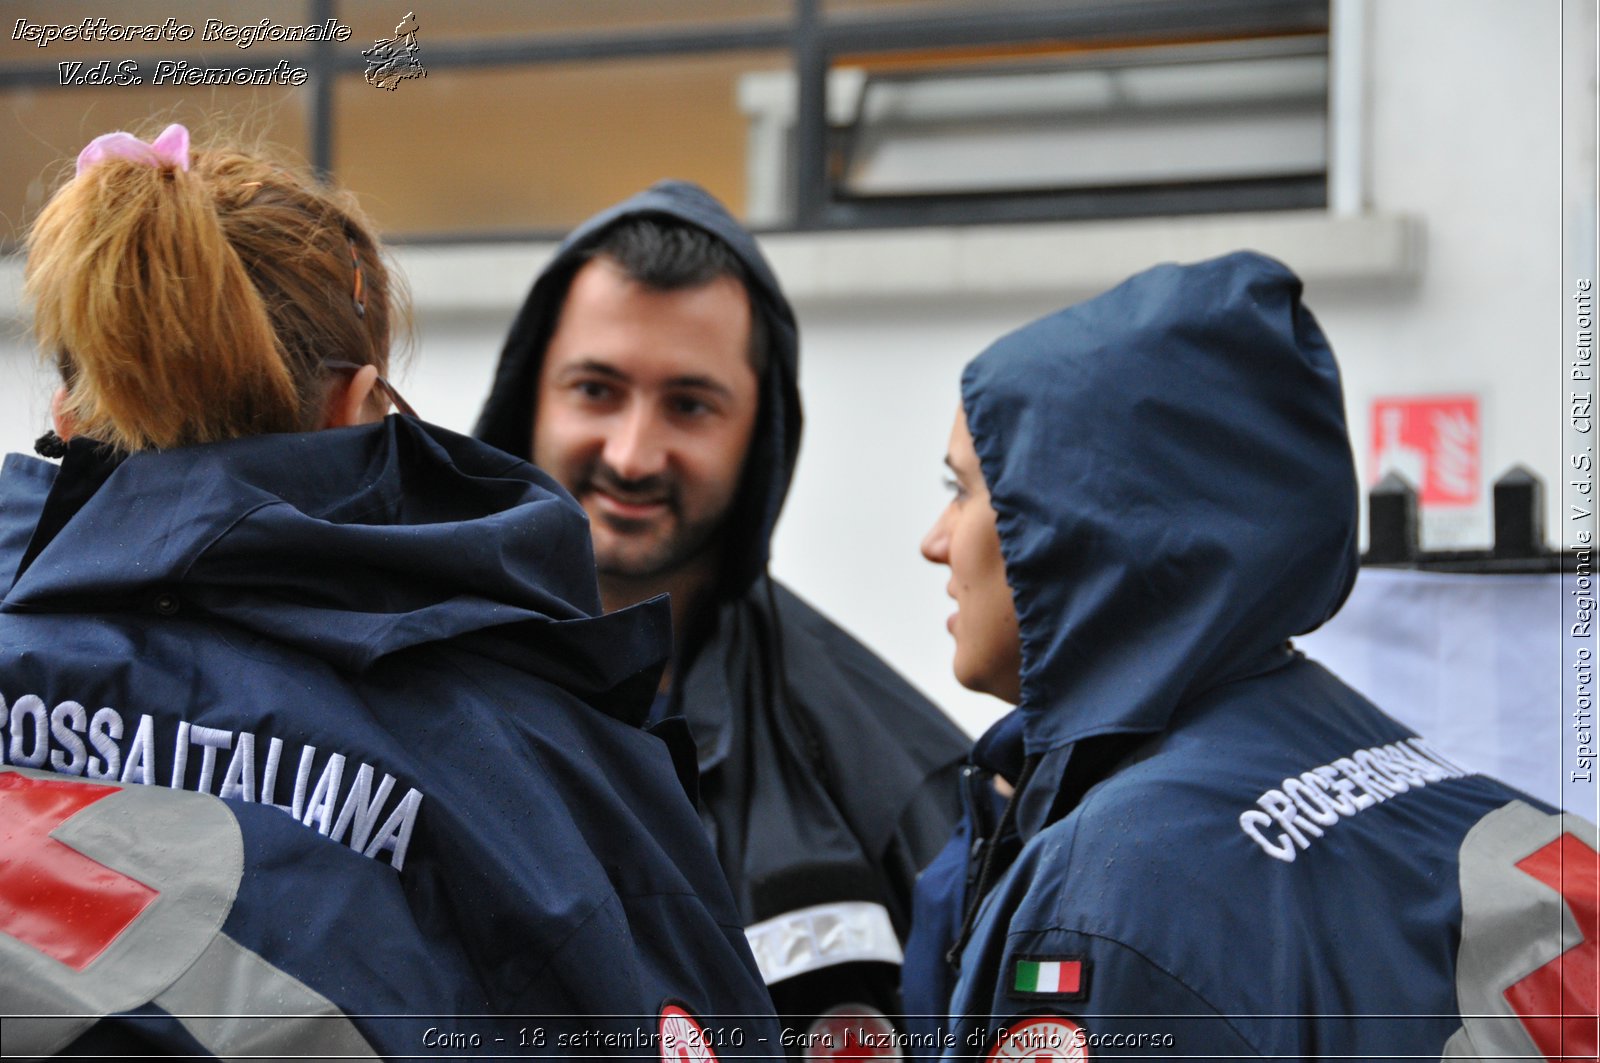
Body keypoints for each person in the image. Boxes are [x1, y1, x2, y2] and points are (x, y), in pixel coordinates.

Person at [0, 124, 779, 1058]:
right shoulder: (534, 768)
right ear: (356, 404)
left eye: (688, 403)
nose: (633, 452)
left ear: (68, 408)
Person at [908, 251, 1598, 1060]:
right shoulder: (1352, 737)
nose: (935, 542)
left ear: (1085, 524)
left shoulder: (1115, 887)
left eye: (960, 490)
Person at [475, 181, 970, 1046]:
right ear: (530, 397)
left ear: (761, 433)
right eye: (596, 389)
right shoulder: (394, 677)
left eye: (690, 405)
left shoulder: (898, 774)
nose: (631, 454)